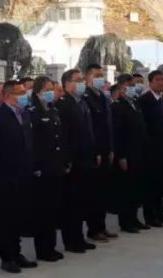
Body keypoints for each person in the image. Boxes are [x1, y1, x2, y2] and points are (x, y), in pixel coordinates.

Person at [0, 80, 38, 273]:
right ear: (7, 96)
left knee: (17, 217)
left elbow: (28, 143)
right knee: (5, 219)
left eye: (24, 92)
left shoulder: (24, 113)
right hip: (3, 178)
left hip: (22, 175)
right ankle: (7, 258)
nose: (24, 96)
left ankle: (17, 252)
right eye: (19, 93)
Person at [57, 69, 98, 253]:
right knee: (71, 203)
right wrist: (66, 160)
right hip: (73, 162)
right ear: (67, 84)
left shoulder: (81, 102)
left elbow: (88, 131)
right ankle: (71, 240)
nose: (82, 82)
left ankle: (79, 237)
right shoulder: (63, 104)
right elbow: (63, 136)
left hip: (85, 159)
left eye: (82, 79)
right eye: (78, 80)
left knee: (82, 201)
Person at [27, 76, 65, 262]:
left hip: (54, 166)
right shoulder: (32, 111)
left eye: (52, 89)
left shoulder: (52, 109)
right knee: (42, 210)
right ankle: (43, 249)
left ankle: (50, 246)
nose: (51, 92)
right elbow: (31, 142)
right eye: (48, 89)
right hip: (42, 168)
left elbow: (58, 138)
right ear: (38, 91)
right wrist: (35, 167)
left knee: (52, 208)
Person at [110, 76, 149, 234]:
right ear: (122, 88)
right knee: (126, 189)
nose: (134, 87)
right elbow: (117, 134)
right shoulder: (117, 106)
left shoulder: (135, 103)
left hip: (138, 151)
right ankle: (126, 221)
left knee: (136, 187)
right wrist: (121, 156)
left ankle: (134, 218)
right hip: (127, 153)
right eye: (130, 85)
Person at [82, 64, 116, 241]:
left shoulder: (102, 96)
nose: (100, 79)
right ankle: (93, 229)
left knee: (103, 192)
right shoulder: (85, 97)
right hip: (95, 152)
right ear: (88, 77)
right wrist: (95, 151)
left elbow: (107, 126)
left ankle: (101, 226)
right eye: (96, 75)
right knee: (93, 194)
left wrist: (110, 148)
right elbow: (89, 129)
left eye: (101, 75)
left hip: (105, 150)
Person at [137, 71, 163, 227]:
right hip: (151, 151)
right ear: (150, 83)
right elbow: (143, 127)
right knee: (151, 185)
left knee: (161, 183)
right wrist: (150, 146)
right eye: (158, 80)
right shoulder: (144, 101)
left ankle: (160, 212)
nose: (161, 82)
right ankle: (150, 216)